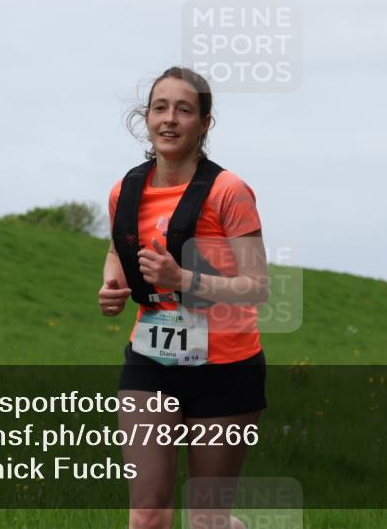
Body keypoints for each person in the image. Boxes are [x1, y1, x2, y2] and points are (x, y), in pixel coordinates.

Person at [98, 66, 269, 529]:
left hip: (225, 368)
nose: (170, 119)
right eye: (160, 108)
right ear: (146, 118)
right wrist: (114, 281)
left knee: (206, 519)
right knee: (148, 512)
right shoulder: (124, 190)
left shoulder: (228, 191)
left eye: (184, 110)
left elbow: (258, 285)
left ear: (204, 123)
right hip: (150, 361)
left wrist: (184, 279)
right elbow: (118, 247)